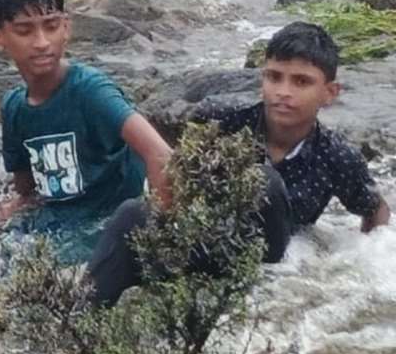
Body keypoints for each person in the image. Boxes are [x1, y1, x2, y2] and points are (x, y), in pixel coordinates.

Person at [89, 21, 391, 305]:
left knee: (265, 182)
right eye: (274, 77)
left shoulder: (336, 157)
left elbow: (375, 211)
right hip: (203, 242)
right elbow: (175, 171)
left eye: (301, 82)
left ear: (329, 93)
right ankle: (78, 318)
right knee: (131, 214)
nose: (283, 92)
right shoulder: (220, 120)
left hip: (274, 270)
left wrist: (355, 266)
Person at [0, 0, 173, 265]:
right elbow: (26, 193)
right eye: (24, 30)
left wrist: (163, 243)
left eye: (51, 26)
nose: (42, 42)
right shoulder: (15, 107)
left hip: (107, 229)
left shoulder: (91, 91)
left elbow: (161, 154)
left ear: (66, 28)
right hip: (54, 230)